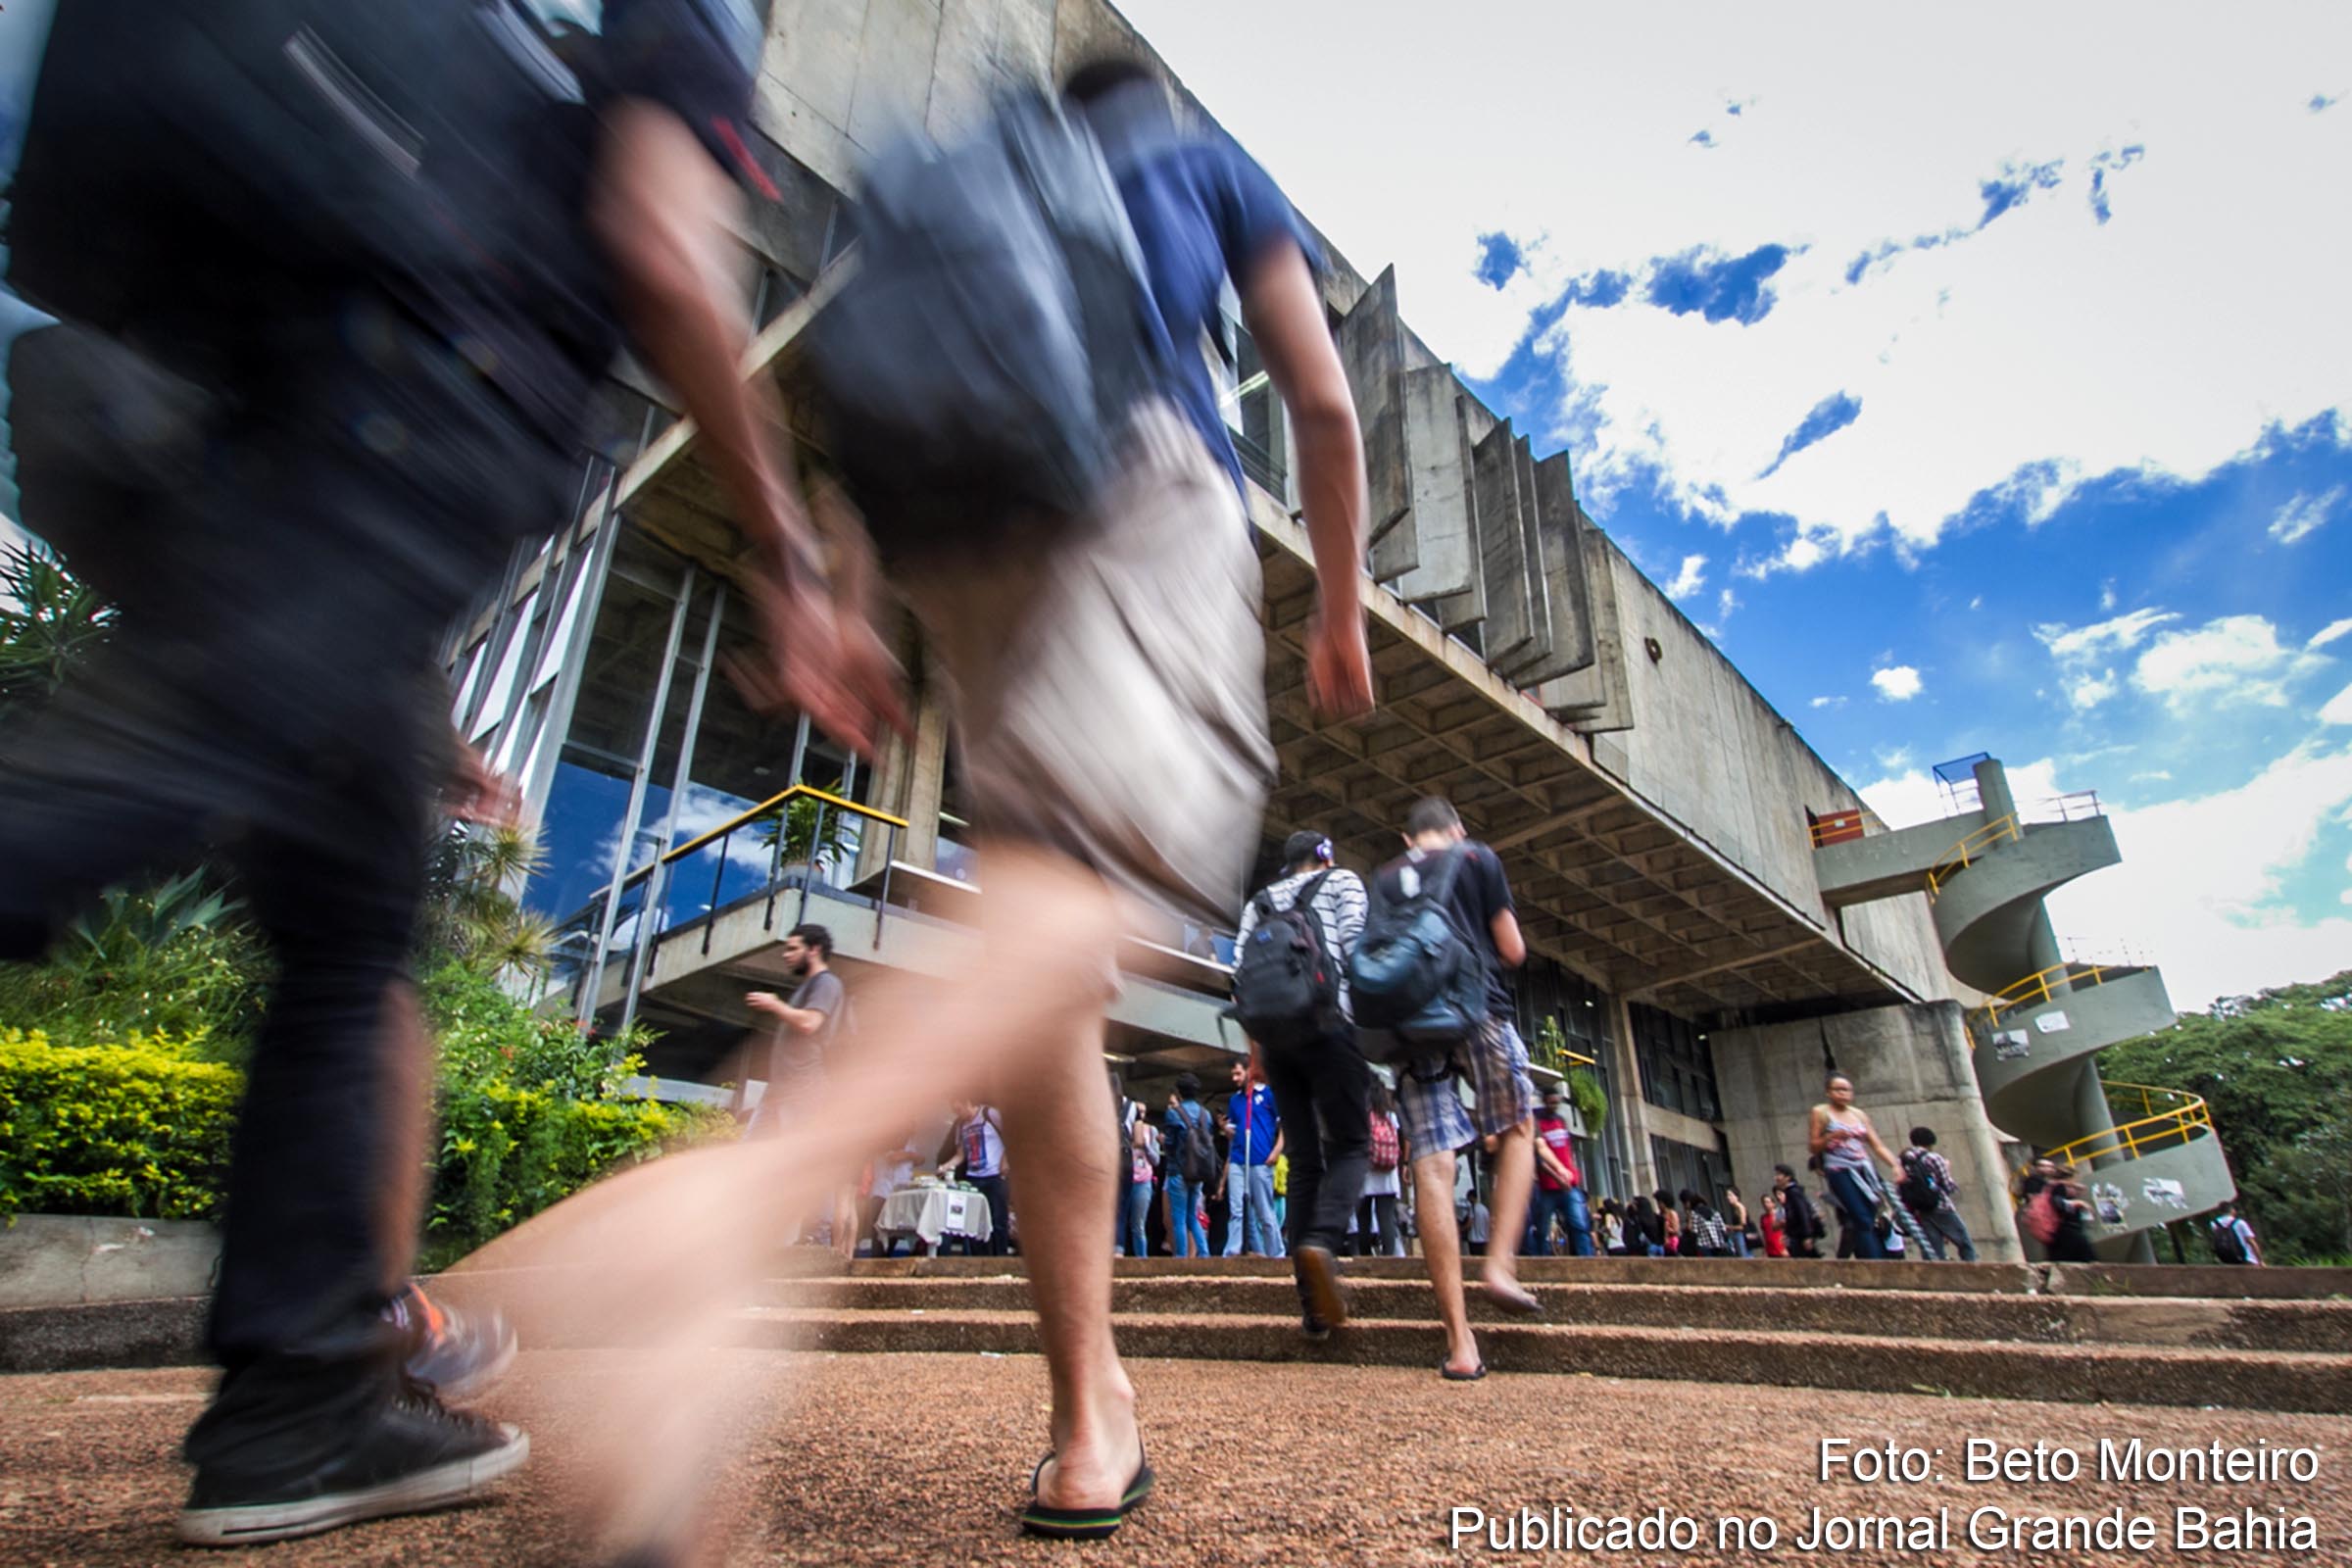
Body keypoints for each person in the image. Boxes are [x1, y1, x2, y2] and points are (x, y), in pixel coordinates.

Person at [0, 0, 918, 1546]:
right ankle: (303, 1398)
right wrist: (782, 543)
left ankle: (303, 1402)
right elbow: (652, 227)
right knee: (134, 774)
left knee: (351, 898)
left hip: (180, 379)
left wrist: (404, 700)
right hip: (422, 367)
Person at [1379, 798, 1540, 1381]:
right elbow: (1513, 949)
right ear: (1458, 828)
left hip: (1415, 1029)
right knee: (1518, 1127)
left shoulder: (1388, 876)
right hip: (1481, 1013)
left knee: (1432, 1165)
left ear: (1408, 836)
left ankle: (1460, 1344)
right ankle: (1498, 1265)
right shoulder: (1479, 858)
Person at [1235, 828, 1372, 1329]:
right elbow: (1357, 952)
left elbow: (1241, 979)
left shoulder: (1261, 902)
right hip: (1331, 1025)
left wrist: (1256, 1059)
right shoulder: (1342, 883)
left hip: (1276, 1040)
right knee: (1352, 1145)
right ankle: (1322, 1243)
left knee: (1304, 1160)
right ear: (1326, 856)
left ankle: (1312, 1309)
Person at [746, 924, 855, 1250]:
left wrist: (773, 1004)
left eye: (793, 948)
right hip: (778, 1093)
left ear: (814, 949)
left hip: (804, 1090)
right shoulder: (808, 986)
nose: (786, 955)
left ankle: (812, 1237)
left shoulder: (826, 983)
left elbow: (810, 1023)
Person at [1808, 1074, 1902, 1261]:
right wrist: (1830, 1137)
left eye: (1847, 1090)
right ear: (1828, 1092)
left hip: (1863, 1167)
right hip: (1839, 1169)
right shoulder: (1821, 1112)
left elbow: (1877, 1145)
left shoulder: (1858, 1115)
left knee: (1871, 1216)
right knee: (1860, 1216)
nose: (1843, 1094)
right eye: (1838, 1090)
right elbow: (1813, 1145)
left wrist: (1895, 1165)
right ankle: (1874, 1262)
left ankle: (1878, 1258)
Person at [1217, 1058, 1287, 1258]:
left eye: (1238, 1073)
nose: (1235, 1078)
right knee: (1236, 1208)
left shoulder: (1268, 1095)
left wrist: (1276, 1151)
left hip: (1261, 1159)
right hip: (1239, 1159)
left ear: (1250, 1071)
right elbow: (1235, 1131)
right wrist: (1224, 1128)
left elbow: (1285, 1126)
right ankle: (1231, 1251)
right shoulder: (1236, 1100)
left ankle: (1276, 1253)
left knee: (1265, 1210)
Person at [939, 1100, 1012, 1258]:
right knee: (975, 1222)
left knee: (998, 1220)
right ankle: (980, 1259)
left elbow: (1011, 1137)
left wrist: (1005, 1161)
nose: (958, 1114)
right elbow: (961, 1155)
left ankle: (1001, 1258)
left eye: (959, 1110)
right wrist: (944, 1167)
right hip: (973, 1177)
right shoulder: (960, 1125)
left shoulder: (990, 1114)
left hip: (995, 1176)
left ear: (967, 1102)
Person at [1529, 1089, 1593, 1257]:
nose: (1554, 1105)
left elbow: (1568, 1152)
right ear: (1544, 1101)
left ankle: (1587, 1260)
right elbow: (1539, 1159)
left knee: (1579, 1224)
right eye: (1551, 1102)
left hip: (1568, 1185)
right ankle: (1542, 1262)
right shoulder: (1538, 1123)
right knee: (1542, 1229)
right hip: (1548, 1187)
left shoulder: (1561, 1121)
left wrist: (1571, 1174)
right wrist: (1558, 1176)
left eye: (1556, 1102)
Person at [1898, 1127, 1978, 1263]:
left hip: (1921, 1209)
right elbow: (1947, 1185)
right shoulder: (1934, 1158)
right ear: (1931, 1142)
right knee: (1964, 1243)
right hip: (1941, 1206)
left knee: (1933, 1251)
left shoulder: (1904, 1160)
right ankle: (1975, 1272)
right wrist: (1947, 1168)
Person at [1161, 1074, 1216, 1259]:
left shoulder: (1174, 1114)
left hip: (1179, 1170)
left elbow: (1170, 1144)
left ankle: (1181, 1257)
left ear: (1180, 1092)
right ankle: (1204, 1252)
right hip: (1198, 1171)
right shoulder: (1205, 1115)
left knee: (1178, 1217)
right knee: (1192, 1215)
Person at [1357, 1081, 1406, 1258]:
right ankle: (1388, 1257)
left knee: (1363, 1217)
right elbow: (1402, 1142)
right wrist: (1404, 1165)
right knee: (1385, 1217)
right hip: (1388, 1172)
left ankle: (1364, 1256)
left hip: (1366, 1172)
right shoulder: (1390, 1117)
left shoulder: (1362, 1117)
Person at [1121, 1086, 1160, 1259]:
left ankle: (1142, 1259)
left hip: (1143, 1181)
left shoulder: (1151, 1131)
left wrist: (1145, 1145)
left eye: (1143, 1112)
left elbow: (1156, 1160)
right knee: (1120, 1221)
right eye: (1138, 1112)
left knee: (1138, 1225)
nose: (1141, 1116)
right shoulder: (1124, 1128)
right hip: (1126, 1177)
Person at [1773, 1164, 1824, 1259]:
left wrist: (1807, 1236)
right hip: (1797, 1236)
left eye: (1779, 1174)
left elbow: (1803, 1213)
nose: (1776, 1178)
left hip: (1800, 1237)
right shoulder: (1791, 1193)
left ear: (1788, 1177)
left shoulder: (1794, 1193)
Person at [2209, 1201, 2264, 1266]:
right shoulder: (2240, 1223)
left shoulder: (2214, 1224)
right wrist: (2260, 1261)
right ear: (2232, 1210)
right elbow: (2252, 1242)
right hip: (2247, 1259)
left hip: (2227, 1260)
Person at [1722, 1184, 1752, 1258]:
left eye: (1730, 1195)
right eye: (1728, 1195)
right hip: (1737, 1235)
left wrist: (1729, 1227)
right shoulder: (1735, 1209)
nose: (1728, 1198)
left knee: (1744, 1256)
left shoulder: (1740, 1208)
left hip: (1742, 1236)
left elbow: (1743, 1226)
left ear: (1736, 1196)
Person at [1759, 1192, 1789, 1258]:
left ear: (1773, 1203)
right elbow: (1764, 1234)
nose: (1766, 1204)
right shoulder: (1763, 1218)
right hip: (1770, 1249)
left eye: (1768, 1202)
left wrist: (1785, 1247)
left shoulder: (1779, 1214)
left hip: (1781, 1248)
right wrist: (1764, 1250)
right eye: (1764, 1202)